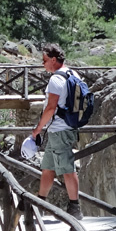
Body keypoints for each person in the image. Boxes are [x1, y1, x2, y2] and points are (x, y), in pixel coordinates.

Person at [30, 43, 82, 220]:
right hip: (65, 128)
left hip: (59, 130)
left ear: (53, 59)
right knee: (48, 168)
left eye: (44, 60)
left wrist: (37, 129)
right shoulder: (74, 74)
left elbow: (51, 108)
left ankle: (75, 208)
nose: (43, 64)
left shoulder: (55, 79)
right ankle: (40, 204)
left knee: (67, 168)